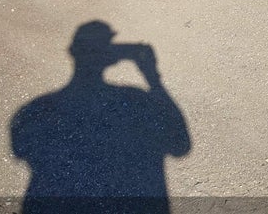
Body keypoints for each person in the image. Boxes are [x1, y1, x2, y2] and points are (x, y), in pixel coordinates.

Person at [10, 21, 191, 213]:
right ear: (111, 57)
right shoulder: (136, 100)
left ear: (72, 51)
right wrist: (153, 78)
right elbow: (180, 145)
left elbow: (22, 151)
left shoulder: (36, 110)